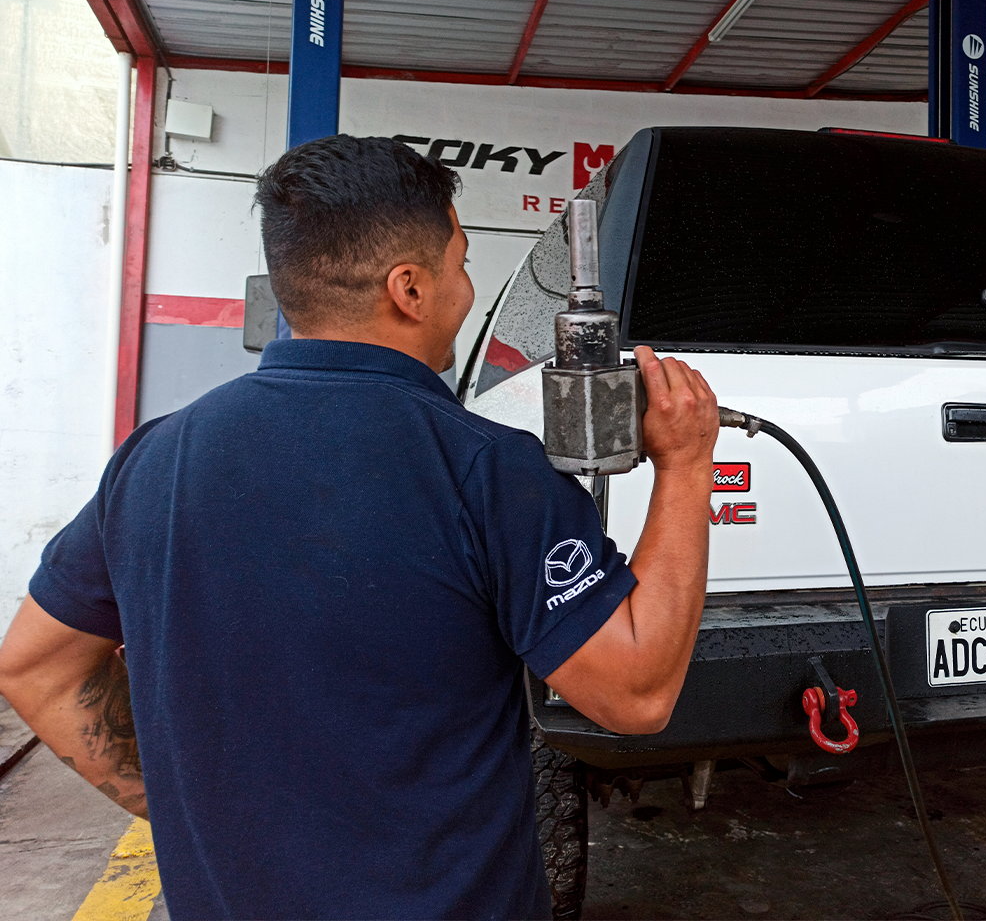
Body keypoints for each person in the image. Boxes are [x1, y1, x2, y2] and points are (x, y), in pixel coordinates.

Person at [0, 135, 719, 921]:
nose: (466, 287)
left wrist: (180, 808)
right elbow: (637, 692)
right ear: (408, 287)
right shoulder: (482, 470)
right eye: (462, 263)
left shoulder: (152, 460)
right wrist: (686, 465)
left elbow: (37, 670)